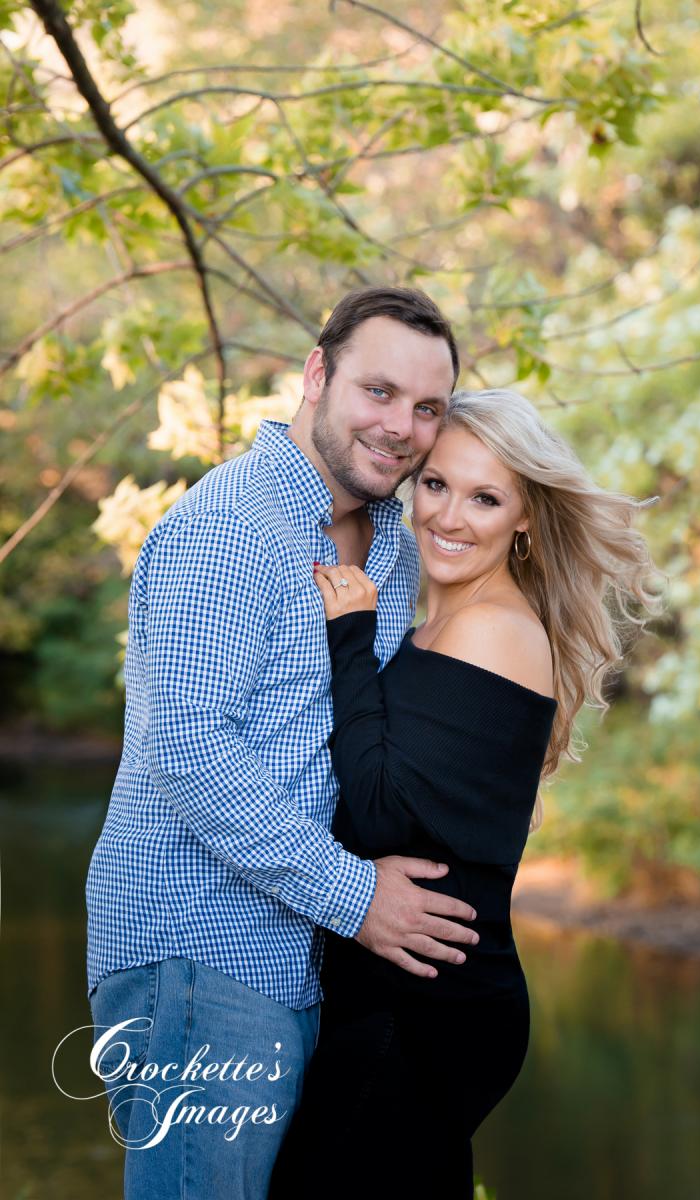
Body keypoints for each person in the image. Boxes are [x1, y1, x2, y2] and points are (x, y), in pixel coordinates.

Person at [85, 286, 483, 1199]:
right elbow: (193, 753)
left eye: (428, 407)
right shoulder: (231, 526)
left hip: (303, 960)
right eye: (378, 391)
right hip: (195, 954)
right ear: (316, 376)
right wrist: (358, 896)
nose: (402, 426)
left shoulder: (394, 542)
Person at [269, 387, 664, 1200]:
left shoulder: (492, 630)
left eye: (485, 497)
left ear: (524, 518)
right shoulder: (438, 628)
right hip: (405, 992)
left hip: (428, 1005)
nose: (449, 517)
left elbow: (380, 813)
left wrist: (348, 638)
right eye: (436, 484)